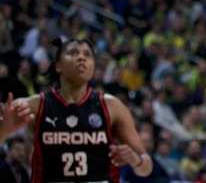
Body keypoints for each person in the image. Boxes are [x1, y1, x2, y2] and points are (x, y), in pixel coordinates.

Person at [0, 37, 153, 183]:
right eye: (73, 53)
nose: (81, 58)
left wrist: (135, 159)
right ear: (58, 66)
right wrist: (4, 130)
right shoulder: (35, 105)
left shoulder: (111, 106)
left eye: (87, 55)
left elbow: (146, 167)